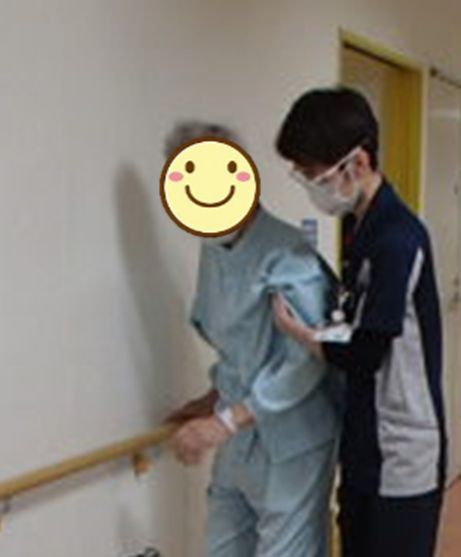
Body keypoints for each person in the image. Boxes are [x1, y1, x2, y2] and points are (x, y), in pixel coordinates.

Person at [273, 86, 447, 557]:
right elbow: (354, 321)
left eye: (314, 174)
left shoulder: (399, 237)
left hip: (401, 453)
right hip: (365, 441)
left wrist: (304, 337)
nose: (311, 185)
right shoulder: (362, 228)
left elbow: (367, 351)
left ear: (358, 162)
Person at [165, 122, 342, 557]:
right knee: (221, 547)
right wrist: (213, 399)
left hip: (292, 440)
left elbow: (307, 359)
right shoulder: (214, 248)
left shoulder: (289, 254)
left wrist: (223, 422)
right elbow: (239, 342)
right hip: (237, 434)